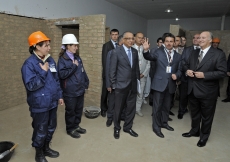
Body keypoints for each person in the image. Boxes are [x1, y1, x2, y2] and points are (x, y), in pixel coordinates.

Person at [21, 31, 64, 162]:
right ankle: (39, 152)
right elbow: (31, 86)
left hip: (52, 101)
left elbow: (56, 80)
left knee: (51, 127)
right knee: (41, 129)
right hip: (39, 104)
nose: (49, 48)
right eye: (46, 45)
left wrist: (59, 95)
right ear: (37, 46)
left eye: (48, 45)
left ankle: (46, 147)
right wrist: (43, 72)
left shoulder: (50, 60)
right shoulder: (29, 64)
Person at [182, 31, 227, 147]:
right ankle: (194, 131)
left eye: (203, 38)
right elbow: (185, 65)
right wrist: (187, 70)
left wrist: (205, 75)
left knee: (207, 116)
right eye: (199, 38)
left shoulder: (218, 54)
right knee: (195, 113)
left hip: (208, 92)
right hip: (192, 89)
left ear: (210, 40)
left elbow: (222, 72)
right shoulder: (194, 52)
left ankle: (204, 137)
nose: (200, 39)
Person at [143, 33, 182, 138]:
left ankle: (164, 123)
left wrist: (177, 75)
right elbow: (149, 57)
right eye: (167, 41)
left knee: (167, 106)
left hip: (171, 84)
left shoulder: (178, 56)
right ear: (164, 42)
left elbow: (180, 69)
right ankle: (156, 127)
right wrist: (146, 50)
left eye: (171, 41)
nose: (169, 43)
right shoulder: (157, 52)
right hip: (159, 84)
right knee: (157, 107)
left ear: (174, 42)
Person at [57, 34, 89, 139]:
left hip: (80, 89)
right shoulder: (62, 59)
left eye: (76, 45)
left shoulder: (77, 57)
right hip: (70, 91)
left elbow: (82, 71)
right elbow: (62, 75)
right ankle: (70, 129)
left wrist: (86, 81)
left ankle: (76, 126)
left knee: (78, 110)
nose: (76, 47)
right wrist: (74, 66)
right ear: (67, 46)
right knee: (71, 111)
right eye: (74, 45)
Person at [110, 31, 140, 139]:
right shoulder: (116, 52)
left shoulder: (135, 52)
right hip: (120, 86)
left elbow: (136, 68)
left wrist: (138, 82)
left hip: (132, 85)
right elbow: (112, 70)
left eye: (132, 38)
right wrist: (114, 85)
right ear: (123, 40)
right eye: (128, 39)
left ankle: (128, 127)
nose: (131, 41)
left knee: (131, 108)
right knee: (118, 109)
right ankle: (117, 128)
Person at [178, 33, 200, 119]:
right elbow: (182, 61)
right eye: (194, 38)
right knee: (183, 96)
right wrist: (187, 70)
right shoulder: (187, 49)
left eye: (197, 38)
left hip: (198, 79)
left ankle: (195, 114)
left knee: (195, 98)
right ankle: (181, 111)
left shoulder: (203, 50)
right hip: (186, 77)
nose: (195, 39)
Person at [105, 35, 125, 127]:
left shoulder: (127, 53)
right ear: (121, 42)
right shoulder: (112, 52)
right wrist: (109, 84)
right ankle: (110, 117)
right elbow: (108, 69)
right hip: (113, 83)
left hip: (123, 84)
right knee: (112, 101)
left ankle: (119, 116)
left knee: (121, 102)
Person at [101, 29, 119, 117]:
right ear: (110, 35)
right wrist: (106, 75)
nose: (114, 36)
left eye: (116, 34)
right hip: (107, 74)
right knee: (105, 92)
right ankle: (103, 109)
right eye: (113, 34)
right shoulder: (106, 45)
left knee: (114, 93)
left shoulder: (120, 45)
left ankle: (112, 109)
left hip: (116, 74)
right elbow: (105, 61)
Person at [132, 32, 150, 117]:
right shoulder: (130, 48)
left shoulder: (146, 48)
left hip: (142, 76)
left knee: (140, 93)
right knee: (131, 93)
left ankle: (137, 109)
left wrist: (143, 73)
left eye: (142, 38)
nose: (141, 39)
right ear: (135, 38)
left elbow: (148, 63)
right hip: (132, 76)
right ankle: (130, 109)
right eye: (139, 37)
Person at [149, 37, 163, 106]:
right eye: (160, 42)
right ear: (157, 43)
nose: (161, 44)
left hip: (161, 73)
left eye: (162, 42)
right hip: (154, 71)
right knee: (153, 87)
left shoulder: (164, 50)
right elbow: (151, 62)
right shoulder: (153, 50)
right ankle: (151, 100)